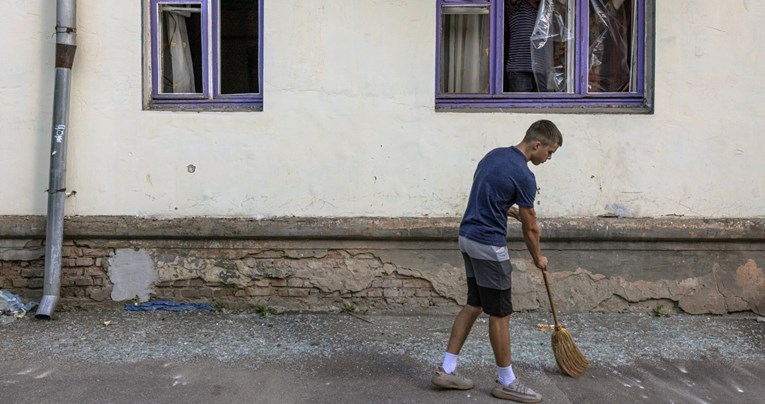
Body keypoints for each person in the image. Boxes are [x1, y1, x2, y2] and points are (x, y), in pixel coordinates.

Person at [431, 120, 562, 403]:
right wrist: (537, 256)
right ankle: (507, 382)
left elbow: (488, 191)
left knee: (475, 304)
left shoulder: (494, 155)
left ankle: (446, 370)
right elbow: (531, 227)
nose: (549, 158)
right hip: (489, 245)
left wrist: (508, 209)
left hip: (467, 237)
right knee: (500, 314)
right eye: (549, 152)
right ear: (536, 145)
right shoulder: (525, 176)